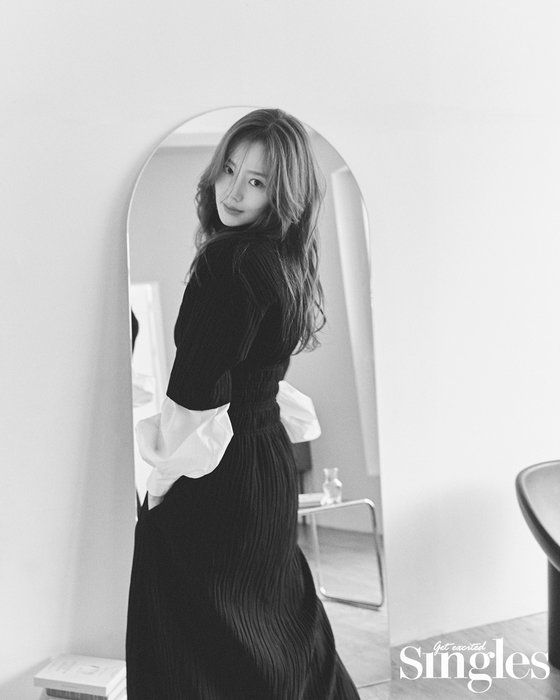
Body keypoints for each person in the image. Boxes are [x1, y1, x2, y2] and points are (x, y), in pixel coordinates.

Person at [126, 108, 360, 700]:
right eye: (229, 170)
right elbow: (259, 372)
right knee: (274, 623)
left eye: (256, 181)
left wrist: (160, 483)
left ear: (282, 195)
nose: (233, 192)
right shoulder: (281, 260)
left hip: (224, 474)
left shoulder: (228, 261)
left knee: (197, 633)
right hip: (265, 463)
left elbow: (195, 391)